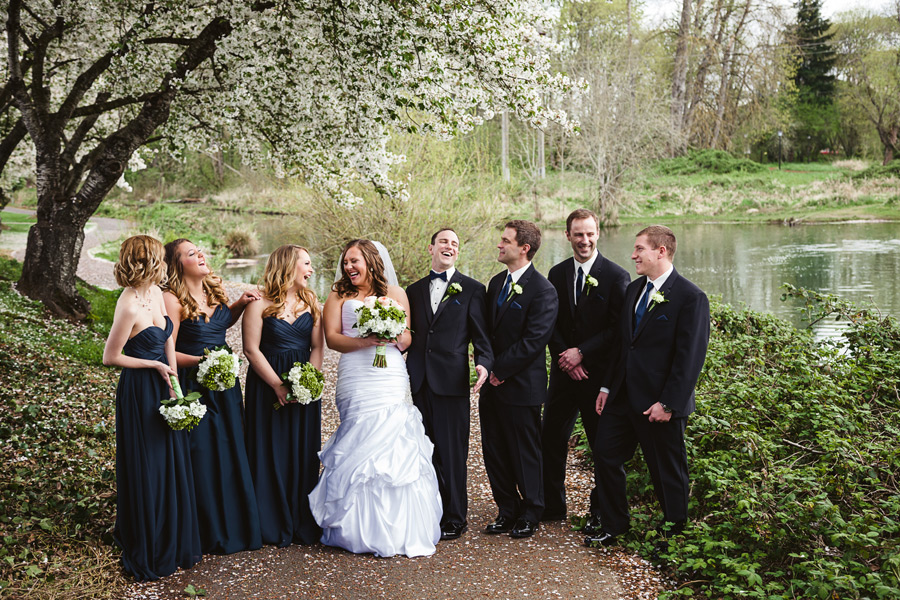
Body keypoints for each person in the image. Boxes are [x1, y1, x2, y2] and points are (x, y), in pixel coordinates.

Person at [308, 239, 441, 557]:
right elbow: (333, 339)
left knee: (395, 438)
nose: (349, 267)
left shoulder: (396, 294)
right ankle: (352, 526)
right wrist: (366, 341)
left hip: (390, 375)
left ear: (371, 260)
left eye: (354, 261)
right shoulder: (339, 295)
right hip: (356, 374)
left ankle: (398, 528)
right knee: (358, 437)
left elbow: (408, 337)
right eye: (345, 263)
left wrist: (393, 335)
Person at [586, 225, 710, 552]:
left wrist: (668, 403)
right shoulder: (634, 288)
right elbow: (622, 346)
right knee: (605, 455)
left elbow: (690, 358)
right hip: (622, 396)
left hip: (659, 403)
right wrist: (606, 387)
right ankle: (615, 525)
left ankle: (674, 535)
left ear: (661, 251)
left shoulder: (691, 297)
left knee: (666, 470)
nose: (633, 255)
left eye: (639, 249)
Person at [103, 235, 201, 580]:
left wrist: (174, 382)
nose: (164, 264)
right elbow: (110, 357)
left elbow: (167, 340)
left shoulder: (157, 293)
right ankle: (149, 541)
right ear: (148, 262)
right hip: (140, 391)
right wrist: (154, 367)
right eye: (160, 258)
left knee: (172, 460)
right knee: (150, 463)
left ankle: (173, 538)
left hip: (164, 385)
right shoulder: (128, 304)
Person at [162, 239, 262, 554]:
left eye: (200, 250)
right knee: (201, 451)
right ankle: (205, 530)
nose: (201, 255)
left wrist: (239, 305)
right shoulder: (171, 299)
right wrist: (206, 361)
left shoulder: (213, 292)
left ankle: (233, 525)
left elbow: (217, 327)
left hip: (224, 382)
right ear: (177, 264)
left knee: (228, 446)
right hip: (194, 383)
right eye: (191, 254)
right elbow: (167, 352)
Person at [541, 209, 629, 528]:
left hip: (596, 378)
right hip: (564, 377)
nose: (585, 240)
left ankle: (601, 510)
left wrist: (582, 353)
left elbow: (618, 330)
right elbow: (549, 323)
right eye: (578, 234)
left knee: (602, 447)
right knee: (550, 438)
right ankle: (552, 506)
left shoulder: (617, 276)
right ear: (567, 236)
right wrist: (566, 358)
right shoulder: (556, 273)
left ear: (598, 233)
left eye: (590, 233)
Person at [406, 228, 493, 541]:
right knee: (421, 449)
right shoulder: (412, 291)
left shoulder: (472, 289)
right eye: (444, 241)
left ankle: (455, 517)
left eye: (455, 243)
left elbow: (481, 337)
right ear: (430, 248)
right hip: (417, 382)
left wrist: (483, 364)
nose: (449, 246)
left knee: (452, 451)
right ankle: (428, 511)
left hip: (452, 382)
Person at [243, 245, 325, 546]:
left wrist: (310, 382)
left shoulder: (311, 300)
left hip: (304, 387)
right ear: (289, 266)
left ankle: (300, 517)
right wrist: (278, 385)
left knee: (302, 449)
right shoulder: (259, 303)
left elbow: (317, 347)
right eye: (307, 263)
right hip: (267, 385)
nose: (311, 270)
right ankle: (268, 520)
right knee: (269, 447)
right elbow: (251, 349)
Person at [481, 220, 558, 539]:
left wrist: (500, 371)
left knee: (525, 451)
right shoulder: (496, 283)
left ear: (524, 248)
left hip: (522, 386)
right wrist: (485, 366)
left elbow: (534, 340)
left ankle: (531, 511)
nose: (499, 245)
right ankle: (506, 509)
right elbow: (485, 333)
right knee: (494, 449)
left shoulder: (544, 290)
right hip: (492, 386)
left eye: (505, 241)